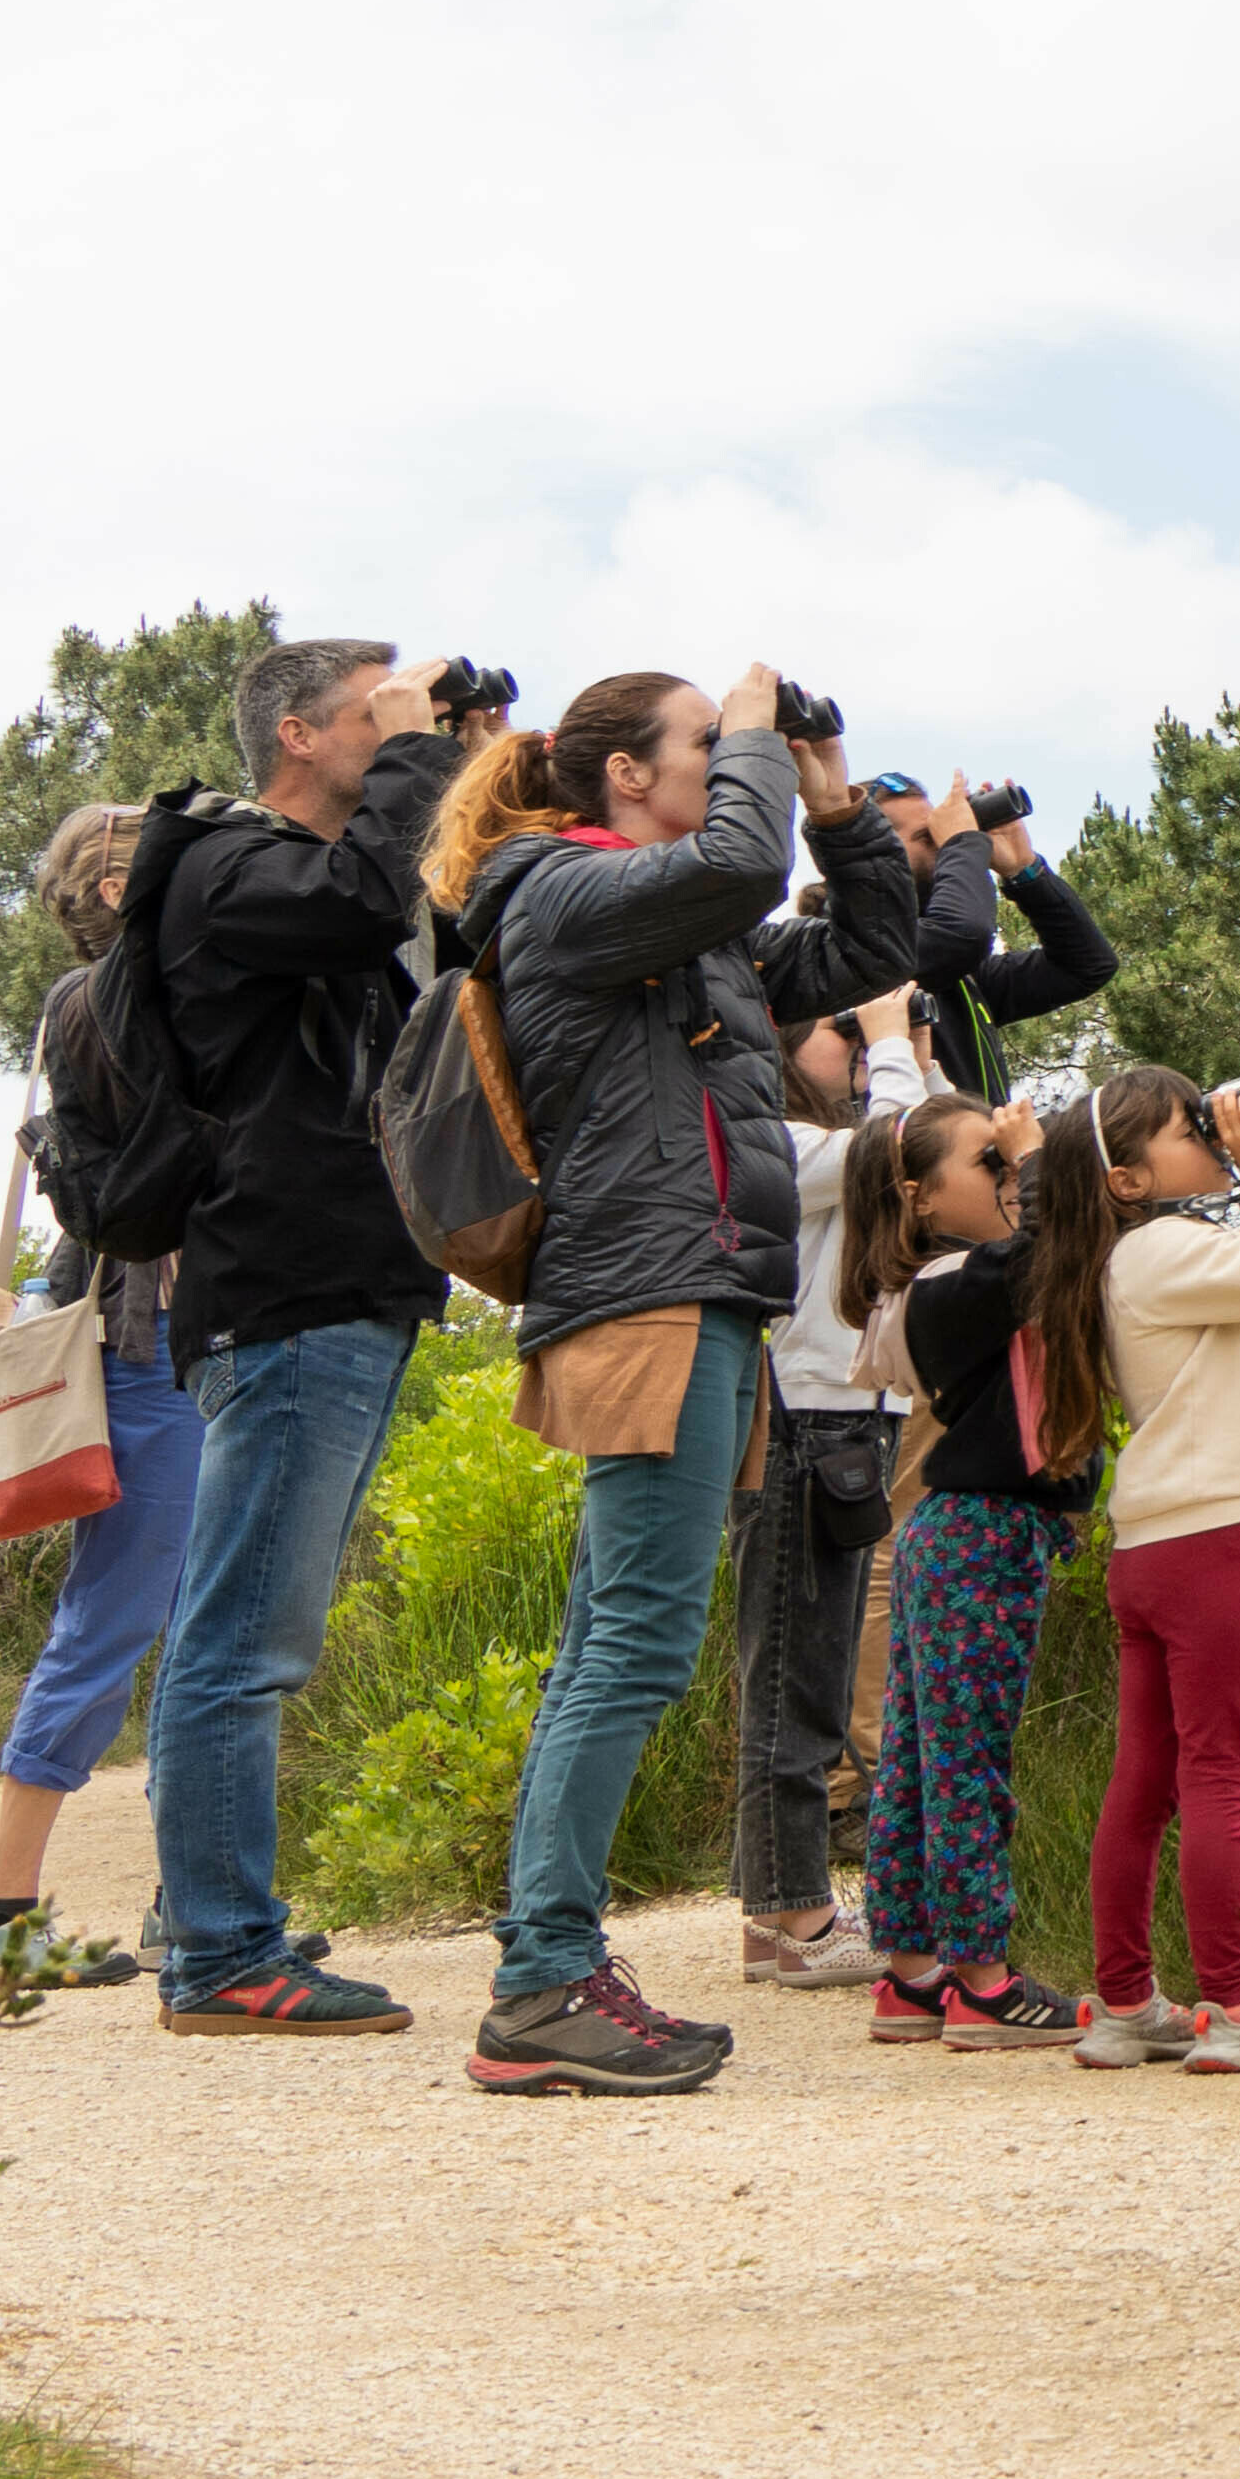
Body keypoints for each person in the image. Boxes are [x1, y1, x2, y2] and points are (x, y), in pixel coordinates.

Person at [433, 664, 932, 2100]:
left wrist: (834, 805)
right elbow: (733, 861)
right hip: (643, 1302)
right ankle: (542, 1980)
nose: (729, 770)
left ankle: (545, 1966)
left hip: (696, 1296)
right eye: (703, 750)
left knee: (618, 1638)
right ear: (625, 779)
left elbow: (868, 953)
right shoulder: (554, 891)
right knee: (638, 1643)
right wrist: (763, 733)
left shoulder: (674, 931)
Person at [129, 632, 471, 2038]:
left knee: (258, 1625)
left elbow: (419, 906)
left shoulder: (311, 877)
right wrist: (413, 757)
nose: (397, 737)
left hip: (335, 1290)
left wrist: (449, 754)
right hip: (286, 1294)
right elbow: (362, 896)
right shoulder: (226, 867)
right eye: (369, 720)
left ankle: (217, 1922)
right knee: (241, 1636)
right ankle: (217, 1951)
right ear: (299, 740)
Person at [0, 804, 206, 1987]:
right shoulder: (98, 1005)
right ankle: (3, 1917)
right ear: (104, 893)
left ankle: (194, 1901)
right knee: (108, 1629)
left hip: (197, 1352)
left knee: (214, 1632)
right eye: (142, 869)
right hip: (145, 1356)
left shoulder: (177, 992)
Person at [1044, 1063, 1240, 2072]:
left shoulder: (1135, 1256)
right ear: (1126, 1178)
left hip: (1152, 1547)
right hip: (1214, 1541)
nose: (1211, 1138)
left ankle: (1129, 2004)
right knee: (1223, 1776)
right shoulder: (1165, 1250)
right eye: (1190, 1130)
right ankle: (1232, 2008)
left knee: (1145, 1783)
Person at [862, 1096, 1086, 2049]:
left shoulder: (972, 1278)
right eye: (988, 1160)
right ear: (919, 1200)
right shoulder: (949, 1283)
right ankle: (984, 1979)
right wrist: (1041, 1162)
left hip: (955, 1533)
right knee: (965, 1762)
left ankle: (912, 1972)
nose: (1008, 1175)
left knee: (921, 1756)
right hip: (982, 1534)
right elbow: (1051, 1251)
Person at [734, 1005, 914, 1990]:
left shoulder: (830, 1135)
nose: (857, 1046)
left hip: (845, 1414)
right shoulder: (778, 1136)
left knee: (815, 1663)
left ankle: (775, 1912)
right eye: (838, 1029)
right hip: (802, 1420)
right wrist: (891, 1038)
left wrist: (902, 1049)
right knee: (793, 1674)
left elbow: (923, 1155)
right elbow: (895, 1151)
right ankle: (795, 1914)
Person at [900, 778, 1121, 1102]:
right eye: (925, 836)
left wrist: (1024, 871)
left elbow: (1086, 966)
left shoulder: (963, 979)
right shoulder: (855, 959)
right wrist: (963, 842)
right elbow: (963, 936)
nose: (940, 845)